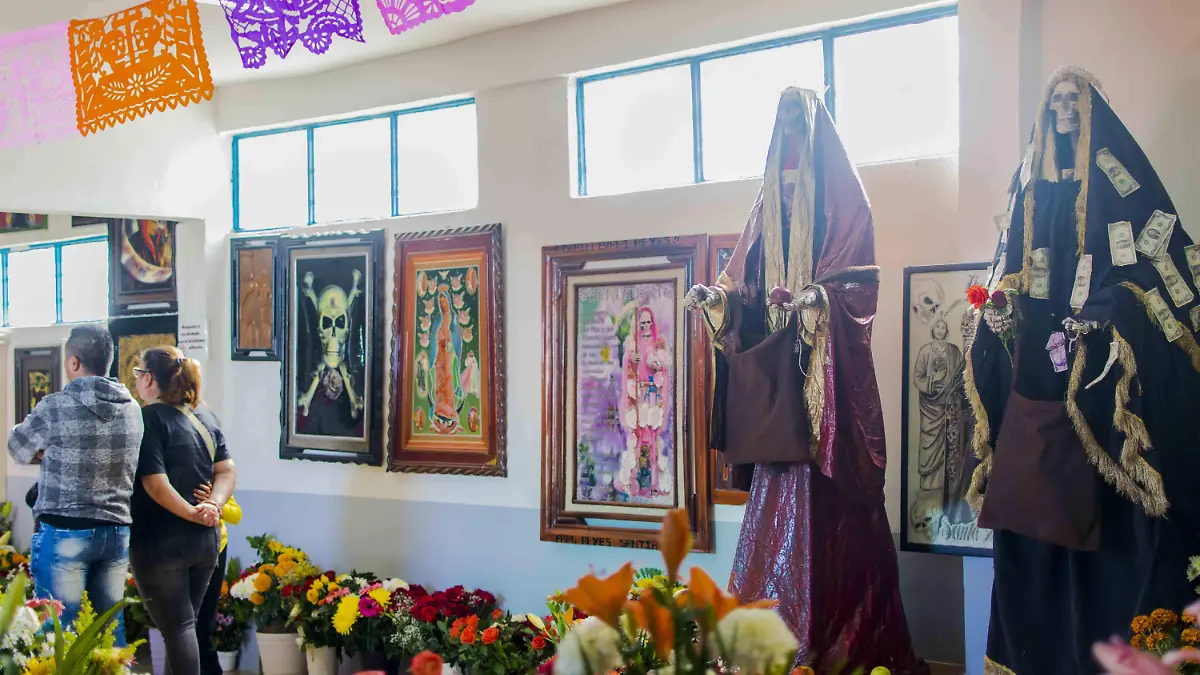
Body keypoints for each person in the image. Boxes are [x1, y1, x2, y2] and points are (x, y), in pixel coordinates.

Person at [684, 88, 926, 674]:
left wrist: (816, 302)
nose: (790, 129)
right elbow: (741, 285)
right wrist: (718, 301)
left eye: (798, 119)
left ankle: (838, 646)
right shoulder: (765, 208)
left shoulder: (846, 201)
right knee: (773, 519)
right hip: (779, 409)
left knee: (833, 525)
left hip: (826, 403)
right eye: (783, 120)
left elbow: (859, 284)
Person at [966, 67, 1200, 674]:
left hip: (1102, 389)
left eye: (1075, 99)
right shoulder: (1032, 194)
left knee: (1118, 535)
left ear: (1093, 108)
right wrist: (1000, 308)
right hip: (1040, 389)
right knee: (1035, 517)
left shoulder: (1123, 191)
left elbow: (1156, 274)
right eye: (1057, 101)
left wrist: (1109, 313)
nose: (1065, 110)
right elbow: (1009, 274)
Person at [7, 325, 143, 643]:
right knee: (109, 629)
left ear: (73, 362)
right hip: (115, 531)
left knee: (59, 631)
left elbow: (17, 447)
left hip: (65, 530)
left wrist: (46, 448)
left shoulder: (56, 406)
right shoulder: (133, 409)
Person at [130, 346, 237, 675]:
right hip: (205, 542)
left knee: (178, 628)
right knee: (184, 627)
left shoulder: (149, 418)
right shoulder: (205, 417)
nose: (136, 381)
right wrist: (212, 505)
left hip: (162, 542)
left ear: (150, 379)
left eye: (138, 373)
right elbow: (227, 470)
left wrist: (195, 512)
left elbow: (155, 484)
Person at [195, 482, 241, 675]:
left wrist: (214, 502)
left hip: (215, 549)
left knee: (202, 623)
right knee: (183, 627)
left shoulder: (218, 477)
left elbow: (236, 515)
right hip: (180, 551)